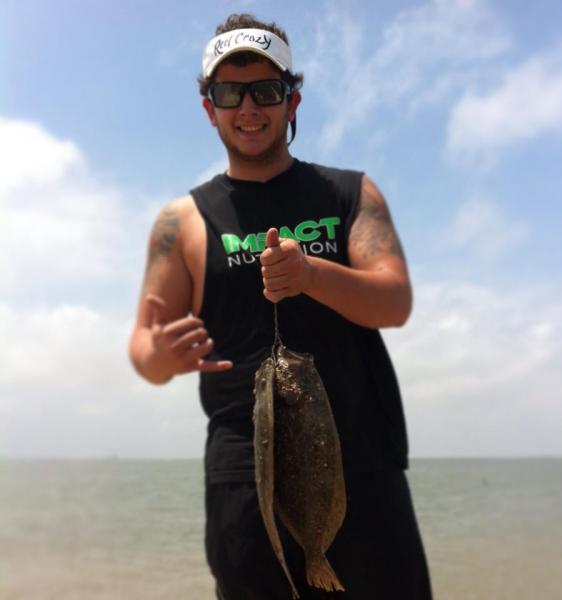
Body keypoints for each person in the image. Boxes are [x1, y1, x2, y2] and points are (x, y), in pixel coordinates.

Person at [129, 13, 432, 600]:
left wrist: (311, 274)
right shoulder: (181, 221)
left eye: (266, 90)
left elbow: (395, 301)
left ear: (292, 100)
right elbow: (144, 347)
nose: (248, 108)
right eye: (230, 93)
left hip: (361, 464)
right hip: (246, 480)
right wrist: (161, 355)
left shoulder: (349, 193)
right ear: (209, 108)